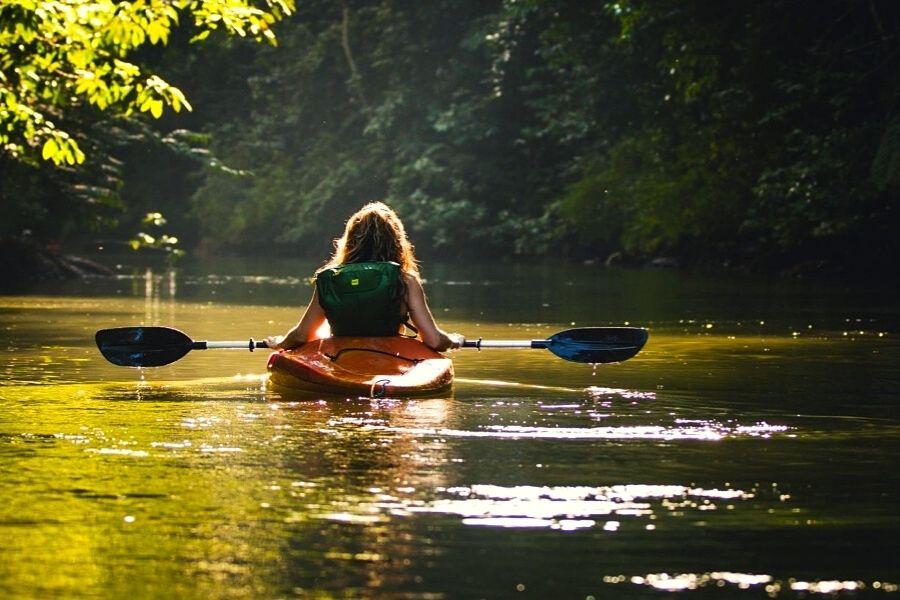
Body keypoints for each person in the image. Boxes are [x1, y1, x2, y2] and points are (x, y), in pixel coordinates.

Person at [265, 202, 464, 352]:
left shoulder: (330, 279)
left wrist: (280, 343)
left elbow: (302, 335)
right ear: (396, 242)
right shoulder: (405, 280)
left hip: (341, 357)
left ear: (350, 240)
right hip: (392, 357)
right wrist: (454, 340)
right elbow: (434, 341)